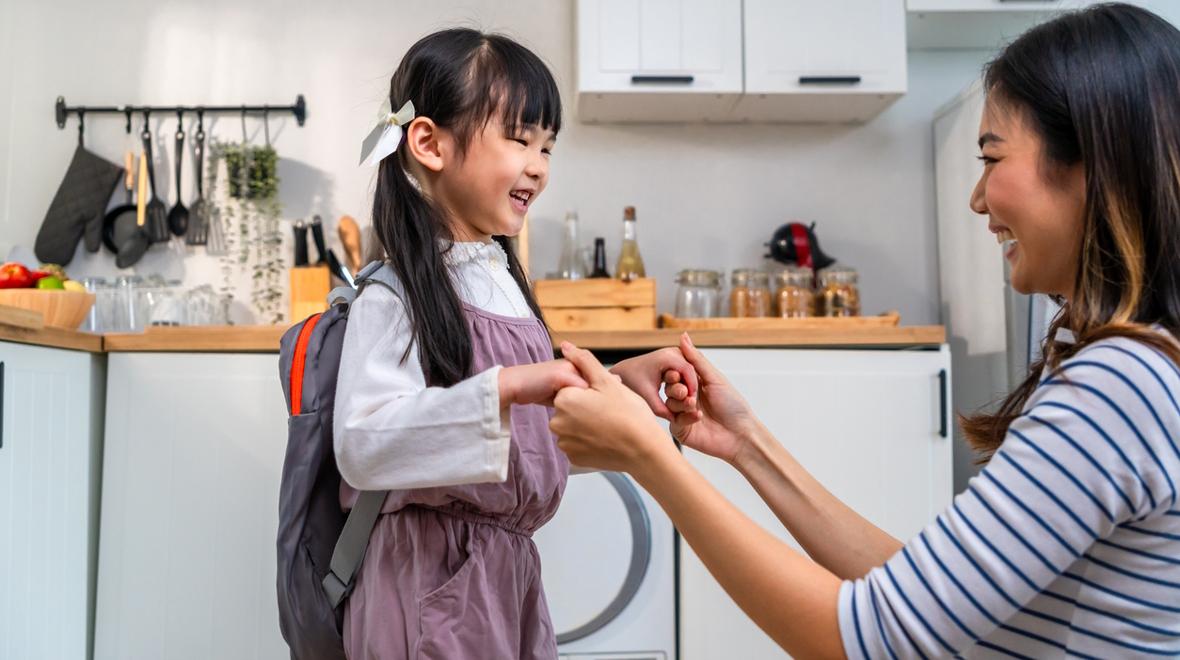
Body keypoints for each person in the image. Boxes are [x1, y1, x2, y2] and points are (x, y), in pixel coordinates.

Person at [553, 4, 1180, 657]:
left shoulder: (1118, 382)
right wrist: (746, 445)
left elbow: (873, 639)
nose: (977, 197)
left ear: (1091, 163)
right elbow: (920, 598)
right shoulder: (1134, 365)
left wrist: (649, 459)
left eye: (992, 157)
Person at [332, 29, 585, 659]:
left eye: (547, 147)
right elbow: (363, 444)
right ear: (429, 142)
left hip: (501, 579)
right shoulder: (397, 293)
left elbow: (524, 438)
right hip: (428, 583)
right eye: (520, 139)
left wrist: (628, 391)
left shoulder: (498, 280)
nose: (539, 166)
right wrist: (506, 388)